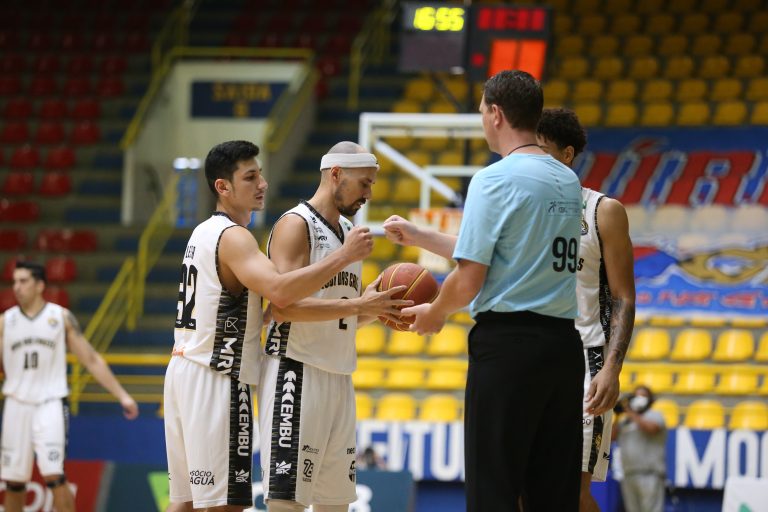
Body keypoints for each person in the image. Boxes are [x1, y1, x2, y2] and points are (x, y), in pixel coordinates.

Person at [383, 70, 584, 510]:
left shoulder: (494, 179)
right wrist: (421, 237)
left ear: (495, 113)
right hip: (563, 347)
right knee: (553, 495)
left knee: (493, 490)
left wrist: (435, 312)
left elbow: (470, 278)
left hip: (509, 348)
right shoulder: (567, 180)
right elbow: (510, 251)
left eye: (480, 111)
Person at [164, 140, 373, 512]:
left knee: (185, 504)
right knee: (225, 505)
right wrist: (344, 257)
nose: (262, 183)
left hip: (185, 366)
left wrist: (369, 305)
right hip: (219, 374)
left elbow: (238, 301)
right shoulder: (236, 237)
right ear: (222, 187)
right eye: (250, 177)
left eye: (260, 174)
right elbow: (280, 294)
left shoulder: (203, 232)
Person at [258, 141, 411, 512]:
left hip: (339, 377)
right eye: (364, 183)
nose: (369, 194)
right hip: (295, 372)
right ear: (336, 174)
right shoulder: (296, 225)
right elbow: (283, 308)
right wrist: (358, 299)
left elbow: (341, 314)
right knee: (287, 504)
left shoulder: (348, 230)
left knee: (336, 505)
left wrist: (377, 308)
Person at [537, 107, 636, 512]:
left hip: (586, 360)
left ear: (567, 155)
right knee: (524, 490)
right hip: (534, 357)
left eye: (543, 152)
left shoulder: (602, 211)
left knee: (572, 496)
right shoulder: (523, 210)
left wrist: (612, 367)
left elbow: (624, 296)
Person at [0, 261, 139, 512]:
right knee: (13, 481)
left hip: (50, 403)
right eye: (14, 282)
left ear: (40, 285)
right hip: (16, 404)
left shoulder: (60, 317)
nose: (17, 287)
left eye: (23, 281)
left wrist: (122, 395)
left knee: (54, 475)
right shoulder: (5, 322)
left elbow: (91, 359)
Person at [612, 385, 667, 512]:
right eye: (636, 396)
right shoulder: (625, 421)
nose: (639, 398)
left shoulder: (654, 415)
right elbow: (611, 437)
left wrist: (630, 412)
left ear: (650, 399)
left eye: (643, 396)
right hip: (628, 473)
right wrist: (618, 415)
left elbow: (652, 429)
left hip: (650, 473)